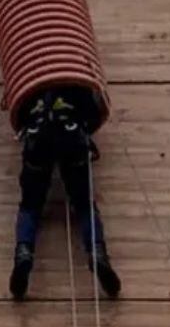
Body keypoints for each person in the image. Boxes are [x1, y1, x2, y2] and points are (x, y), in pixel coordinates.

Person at [8, 86, 121, 301]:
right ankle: (97, 252)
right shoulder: (77, 83)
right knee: (84, 205)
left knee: (30, 206)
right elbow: (94, 112)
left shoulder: (29, 85)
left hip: (37, 137)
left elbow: (19, 115)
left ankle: (23, 253)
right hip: (71, 136)